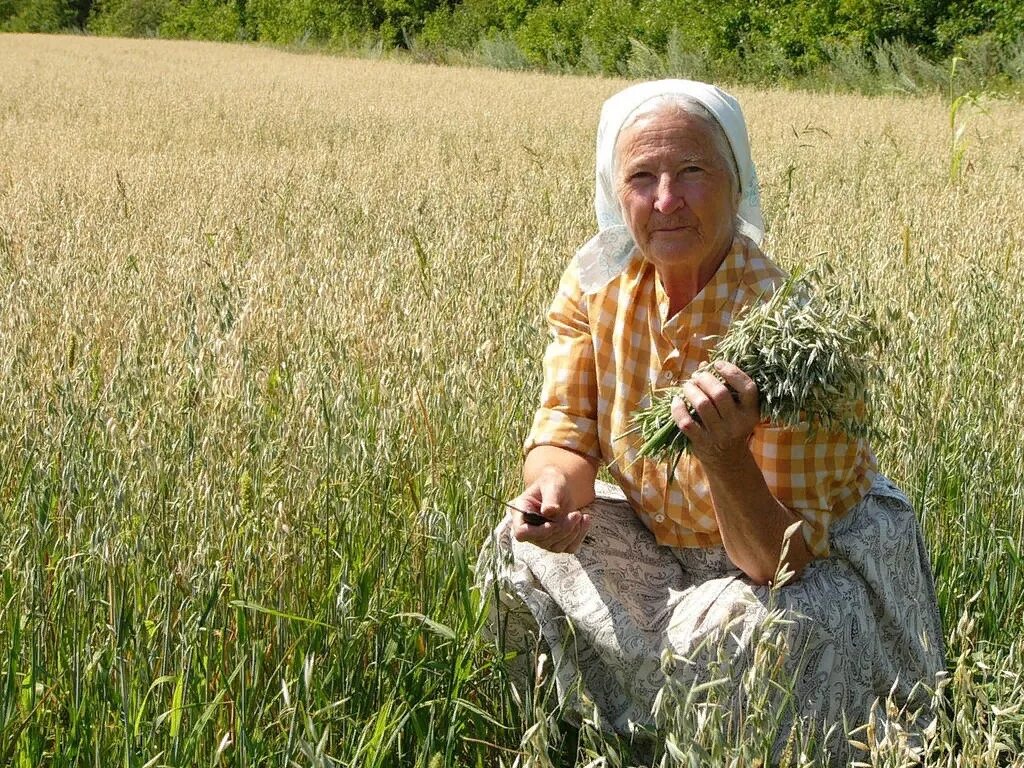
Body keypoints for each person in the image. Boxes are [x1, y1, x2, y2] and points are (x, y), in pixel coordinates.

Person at [480, 79, 945, 762]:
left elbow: (777, 560)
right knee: (517, 551)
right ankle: (567, 744)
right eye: (642, 177)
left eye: (691, 171)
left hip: (808, 560)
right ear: (616, 192)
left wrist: (725, 456)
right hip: (669, 539)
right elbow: (565, 424)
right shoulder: (595, 286)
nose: (665, 200)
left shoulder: (787, 329)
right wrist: (554, 494)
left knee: (730, 628)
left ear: (736, 182)